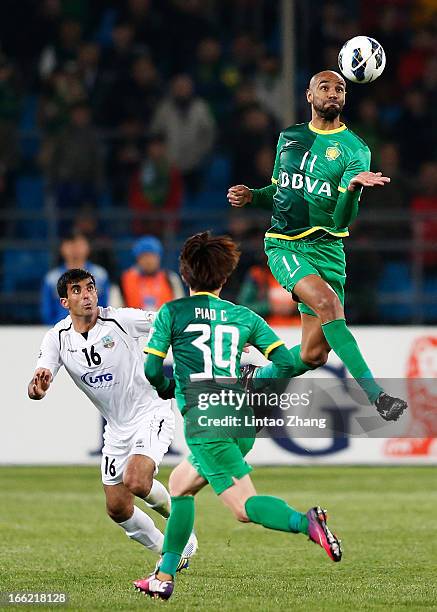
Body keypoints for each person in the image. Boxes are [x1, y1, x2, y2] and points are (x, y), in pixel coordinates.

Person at [133, 232, 342, 600]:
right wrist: (267, 374)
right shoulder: (244, 316)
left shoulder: (171, 312)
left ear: (184, 273)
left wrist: (169, 389)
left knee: (244, 508)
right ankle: (163, 577)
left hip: (206, 425)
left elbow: (151, 371)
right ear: (225, 277)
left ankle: (305, 523)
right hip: (242, 421)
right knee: (181, 485)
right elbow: (282, 363)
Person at [227, 70, 407, 421]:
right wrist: (253, 196)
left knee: (313, 355)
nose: (333, 93)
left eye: (340, 88)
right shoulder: (289, 138)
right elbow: (281, 195)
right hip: (286, 246)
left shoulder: (355, 149)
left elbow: (341, 221)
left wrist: (352, 188)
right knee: (328, 304)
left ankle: (254, 377)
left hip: (329, 251)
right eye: (324, 87)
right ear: (309, 96)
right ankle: (377, 395)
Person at [29, 268, 197, 571]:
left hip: (151, 409)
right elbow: (41, 379)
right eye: (77, 290)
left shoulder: (120, 319)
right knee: (118, 508)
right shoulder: (57, 337)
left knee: (137, 479)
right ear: (65, 302)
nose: (87, 295)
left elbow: (167, 321)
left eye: (90, 288)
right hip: (117, 428)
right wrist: (37, 387)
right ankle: (170, 551)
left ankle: (181, 530)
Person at [40, 232, 110, 325]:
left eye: (79, 244)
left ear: (88, 247)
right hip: (62, 331)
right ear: (62, 248)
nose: (75, 249)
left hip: (93, 330)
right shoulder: (52, 278)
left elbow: (104, 306)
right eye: (70, 244)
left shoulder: (100, 275)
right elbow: (47, 312)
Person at [121, 236, 184, 310]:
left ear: (159, 257)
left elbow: (180, 307)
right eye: (144, 256)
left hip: (165, 320)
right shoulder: (125, 279)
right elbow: (116, 309)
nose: (149, 261)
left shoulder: (170, 278)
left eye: (152, 256)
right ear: (138, 258)